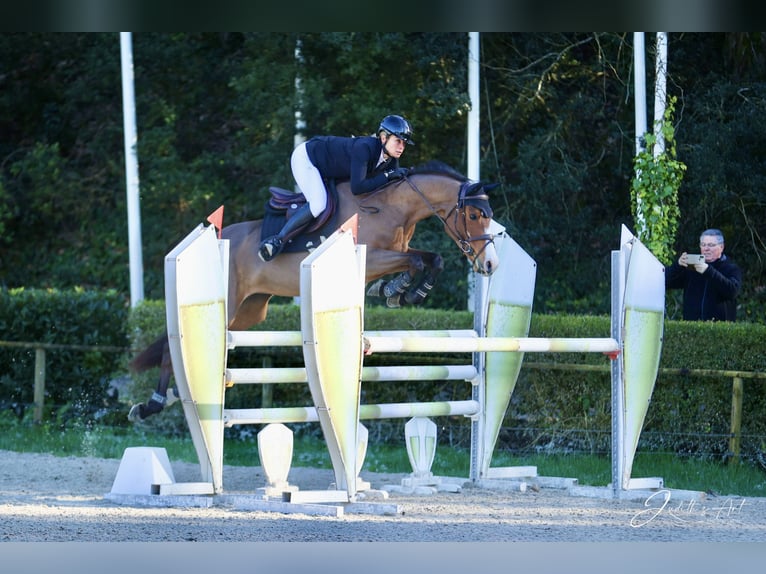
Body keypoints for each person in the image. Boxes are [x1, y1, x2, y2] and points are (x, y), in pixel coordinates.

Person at [258, 114, 415, 262]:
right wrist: (388, 176)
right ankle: (277, 239)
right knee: (319, 204)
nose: (402, 147)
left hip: (327, 168)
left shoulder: (391, 159)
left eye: (404, 143)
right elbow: (358, 187)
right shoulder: (364, 148)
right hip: (307, 159)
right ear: (383, 137)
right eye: (398, 141)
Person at [665, 228, 742, 321]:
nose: (706, 248)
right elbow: (665, 282)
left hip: (720, 330)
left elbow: (732, 291)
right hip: (691, 328)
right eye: (703, 244)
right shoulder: (692, 266)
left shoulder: (730, 268)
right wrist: (678, 265)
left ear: (721, 247)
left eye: (711, 245)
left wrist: (708, 271)